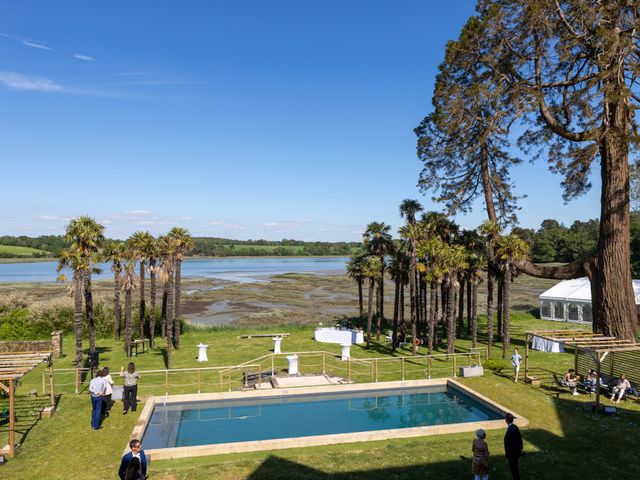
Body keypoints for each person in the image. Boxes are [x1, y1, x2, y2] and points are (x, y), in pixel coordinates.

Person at [504, 413, 523, 480]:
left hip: (512, 454)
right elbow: (520, 439)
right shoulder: (515, 427)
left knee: (514, 470)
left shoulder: (511, 430)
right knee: (515, 469)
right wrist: (521, 449)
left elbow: (512, 444)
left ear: (506, 420)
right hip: (515, 453)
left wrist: (508, 455)